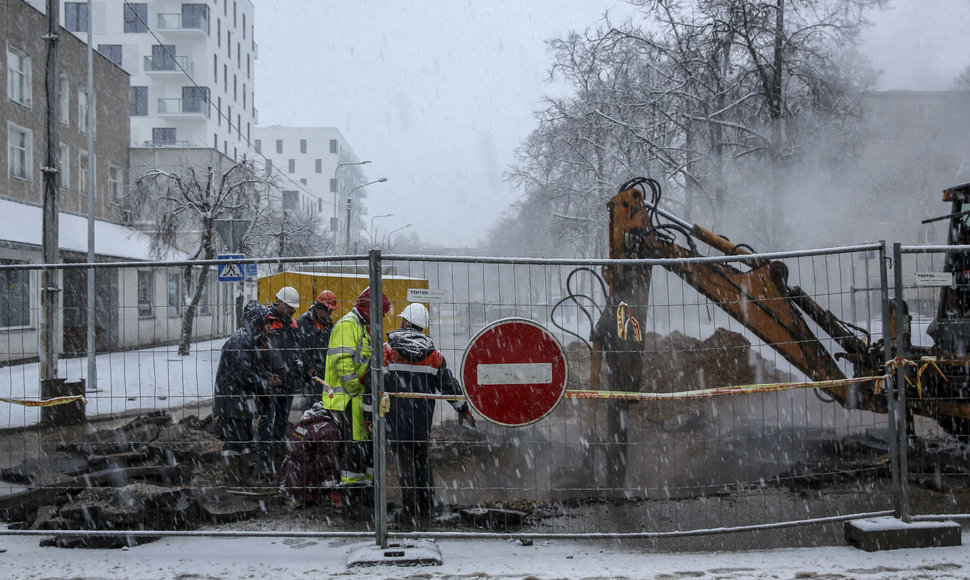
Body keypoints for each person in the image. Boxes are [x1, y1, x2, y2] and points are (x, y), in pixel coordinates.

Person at [383, 303, 475, 527]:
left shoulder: (387, 351)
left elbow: (375, 384)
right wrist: (463, 408)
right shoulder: (434, 356)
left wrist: (369, 415)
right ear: (422, 328)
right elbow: (449, 386)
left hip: (395, 419)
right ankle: (426, 506)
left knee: (404, 464)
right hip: (421, 420)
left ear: (404, 322)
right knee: (421, 461)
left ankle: (409, 510)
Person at [322, 286, 390, 515]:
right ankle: (352, 501)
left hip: (360, 398)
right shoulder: (348, 325)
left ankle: (369, 496)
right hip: (349, 399)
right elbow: (343, 363)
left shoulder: (363, 326)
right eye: (379, 313)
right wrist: (357, 388)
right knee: (355, 448)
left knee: (366, 447)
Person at [213, 300, 276, 453]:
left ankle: (241, 472)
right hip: (233, 403)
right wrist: (264, 383)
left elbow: (253, 368)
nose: (269, 327)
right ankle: (235, 473)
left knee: (245, 442)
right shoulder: (240, 341)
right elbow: (244, 373)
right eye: (266, 323)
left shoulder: (252, 340)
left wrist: (266, 377)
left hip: (240, 403)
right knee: (235, 444)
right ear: (256, 323)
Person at [258, 286, 302, 477]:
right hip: (272, 381)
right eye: (290, 306)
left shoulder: (292, 323)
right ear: (280, 302)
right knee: (267, 420)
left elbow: (296, 348)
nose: (293, 310)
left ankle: (278, 457)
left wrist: (296, 367)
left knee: (282, 422)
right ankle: (264, 461)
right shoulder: (267, 321)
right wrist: (267, 375)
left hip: (288, 380)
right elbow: (259, 352)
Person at [297, 290, 338, 407]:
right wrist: (308, 367)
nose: (329, 314)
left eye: (331, 311)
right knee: (314, 405)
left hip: (326, 371)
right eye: (328, 311)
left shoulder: (329, 324)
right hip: (311, 374)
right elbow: (299, 348)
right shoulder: (303, 322)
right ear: (319, 308)